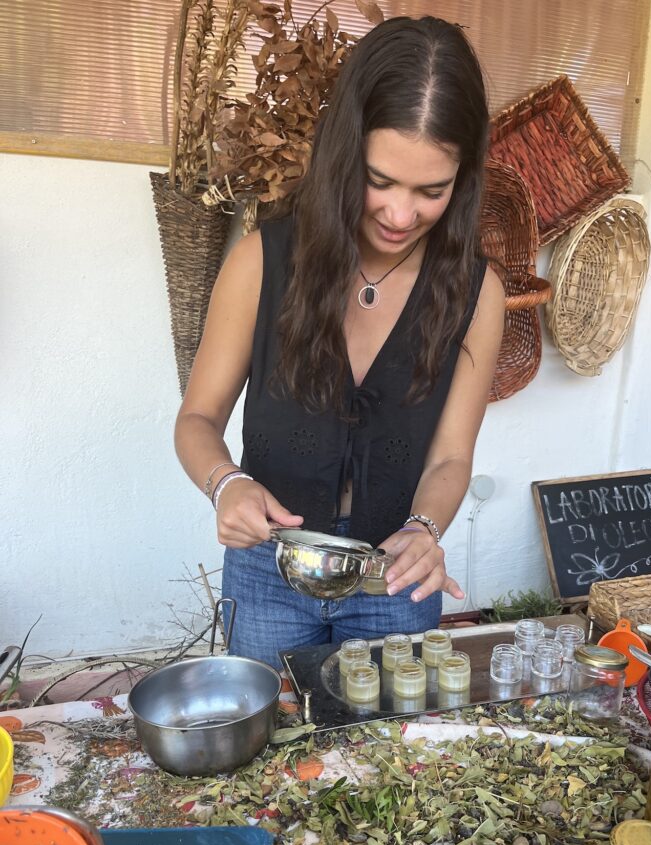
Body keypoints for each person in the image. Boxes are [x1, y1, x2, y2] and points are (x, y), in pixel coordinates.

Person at [174, 15, 505, 668]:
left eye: (431, 191)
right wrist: (225, 484)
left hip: (395, 576)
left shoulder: (475, 293)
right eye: (379, 180)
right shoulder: (261, 262)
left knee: (386, 756)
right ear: (344, 153)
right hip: (269, 571)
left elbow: (449, 458)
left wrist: (425, 529)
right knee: (273, 753)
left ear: (462, 181)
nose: (401, 214)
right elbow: (196, 419)